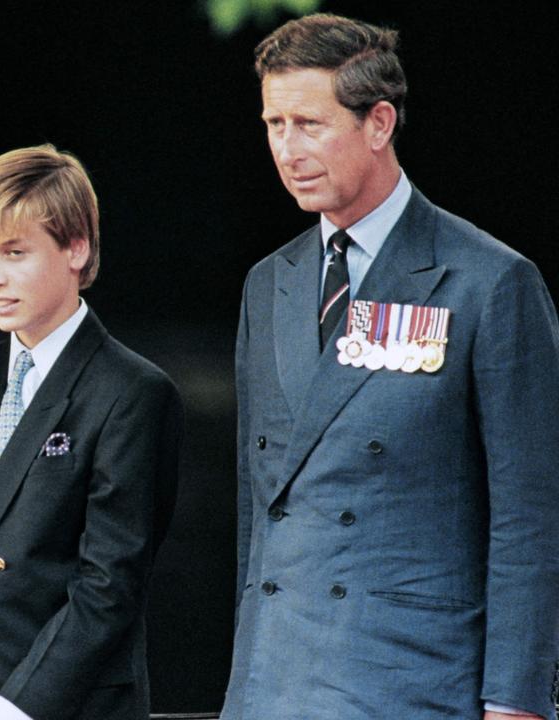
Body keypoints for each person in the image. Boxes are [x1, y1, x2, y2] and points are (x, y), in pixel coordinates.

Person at [225, 13, 559, 720]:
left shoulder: (490, 282)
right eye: (273, 124)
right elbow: (261, 517)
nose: (288, 149)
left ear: (379, 123)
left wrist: (516, 700)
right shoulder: (269, 282)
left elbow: (530, 517)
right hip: (271, 683)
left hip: (412, 682)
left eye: (309, 124)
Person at [0, 144, 183, 719]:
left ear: (77, 248)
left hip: (62, 707)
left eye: (14, 252)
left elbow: (107, 588)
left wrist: (9, 713)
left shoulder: (132, 392)